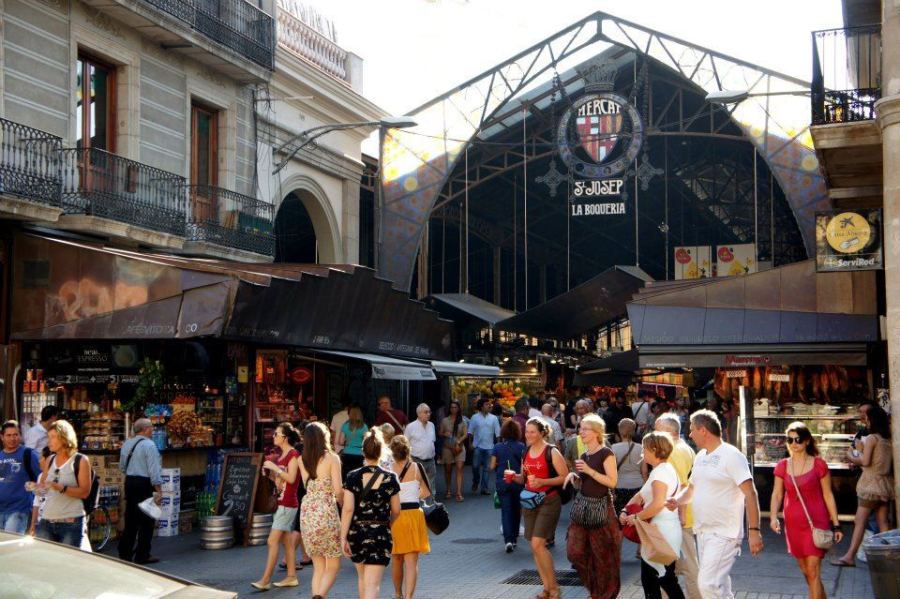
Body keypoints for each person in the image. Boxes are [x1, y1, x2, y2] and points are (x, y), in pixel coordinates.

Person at [669, 410, 763, 599]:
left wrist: (754, 531)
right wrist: (676, 501)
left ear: (703, 430)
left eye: (692, 429)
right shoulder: (700, 456)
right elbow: (692, 489)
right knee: (719, 586)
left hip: (725, 533)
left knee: (708, 585)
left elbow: (750, 493)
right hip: (703, 531)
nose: (689, 434)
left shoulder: (732, 455)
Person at [769, 422, 843, 599]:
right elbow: (777, 494)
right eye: (790, 439)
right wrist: (773, 517)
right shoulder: (782, 466)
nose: (794, 443)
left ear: (807, 441)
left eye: (798, 439)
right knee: (807, 573)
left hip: (815, 523)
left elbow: (828, 495)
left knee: (813, 571)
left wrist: (836, 524)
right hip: (794, 525)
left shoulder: (819, 465)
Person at [509, 418, 569, 599]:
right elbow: (524, 479)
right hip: (530, 502)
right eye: (526, 431)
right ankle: (546, 588)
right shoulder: (525, 451)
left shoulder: (552, 452)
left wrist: (543, 481)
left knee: (538, 544)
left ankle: (555, 588)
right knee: (535, 547)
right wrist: (514, 476)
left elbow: (564, 477)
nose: (528, 435)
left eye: (532, 431)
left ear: (542, 433)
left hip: (549, 501)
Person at [564, 414, 621, 599]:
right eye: (580, 428)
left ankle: (603, 593)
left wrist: (589, 471)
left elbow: (612, 482)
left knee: (602, 555)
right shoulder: (583, 455)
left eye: (585, 429)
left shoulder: (606, 453)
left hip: (601, 510)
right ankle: (594, 588)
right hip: (583, 508)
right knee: (575, 553)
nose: (581, 432)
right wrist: (576, 478)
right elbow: (586, 481)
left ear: (597, 433)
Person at [621, 432, 684, 599]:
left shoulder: (660, 473)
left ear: (654, 449)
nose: (642, 451)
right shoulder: (662, 470)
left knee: (660, 579)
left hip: (661, 531)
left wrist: (635, 517)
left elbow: (657, 504)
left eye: (644, 447)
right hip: (660, 530)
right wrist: (625, 510)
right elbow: (640, 496)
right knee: (659, 578)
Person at [341, 428, 401, 599]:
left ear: (363, 452)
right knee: (372, 585)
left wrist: (342, 537)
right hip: (381, 534)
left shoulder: (352, 476)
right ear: (382, 452)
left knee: (363, 580)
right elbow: (397, 510)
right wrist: (388, 523)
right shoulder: (390, 478)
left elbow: (348, 509)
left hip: (357, 533)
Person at [832, 405, 893, 567]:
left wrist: (850, 455)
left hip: (870, 485)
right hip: (885, 485)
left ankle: (849, 555)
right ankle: (890, 557)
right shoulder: (887, 439)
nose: (865, 419)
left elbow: (865, 462)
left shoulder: (872, 438)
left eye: (867, 417)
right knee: (883, 522)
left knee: (859, 520)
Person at [654, 413, 700, 599]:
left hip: (679, 518)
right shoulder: (685, 448)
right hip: (680, 516)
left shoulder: (674, 451)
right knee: (673, 566)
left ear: (668, 431)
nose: (653, 434)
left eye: (656, 429)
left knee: (686, 567)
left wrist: (680, 515)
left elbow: (681, 485)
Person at [252, 422, 302, 590]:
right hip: (281, 501)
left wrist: (275, 468)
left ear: (285, 437)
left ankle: (266, 579)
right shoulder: (282, 456)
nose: (273, 436)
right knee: (286, 542)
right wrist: (271, 475)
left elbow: (293, 479)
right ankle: (291, 576)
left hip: (288, 503)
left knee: (272, 541)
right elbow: (282, 482)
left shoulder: (293, 455)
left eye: (276, 434)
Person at [299, 422, 344, 599]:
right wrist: (343, 503)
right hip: (326, 512)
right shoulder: (332, 458)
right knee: (333, 565)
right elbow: (338, 490)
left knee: (318, 567)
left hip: (308, 512)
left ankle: (317, 595)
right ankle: (319, 597)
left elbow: (305, 485)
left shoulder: (301, 459)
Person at [36, 420, 91, 548]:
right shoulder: (49, 460)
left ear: (65, 438)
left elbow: (84, 492)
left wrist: (60, 488)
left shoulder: (81, 460)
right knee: (44, 563)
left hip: (71, 522)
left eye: (53, 437)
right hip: (47, 521)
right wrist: (35, 487)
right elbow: (43, 489)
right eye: (48, 437)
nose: (49, 441)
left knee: (67, 565)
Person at [389, 435, 430, 599]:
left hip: (395, 516)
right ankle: (408, 597)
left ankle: (397, 594)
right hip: (413, 516)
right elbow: (426, 493)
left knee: (396, 559)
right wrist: (414, 493)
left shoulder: (388, 469)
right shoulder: (417, 467)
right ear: (408, 450)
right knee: (412, 562)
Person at [118, 418, 162, 563]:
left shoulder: (127, 444)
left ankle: (125, 553)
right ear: (146, 429)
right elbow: (154, 470)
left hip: (130, 482)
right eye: (151, 428)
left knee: (130, 518)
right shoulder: (149, 445)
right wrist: (159, 490)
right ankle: (142, 554)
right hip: (144, 484)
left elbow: (122, 467)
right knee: (146, 521)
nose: (153, 430)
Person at [490, 419, 526, 552]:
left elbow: (491, 466)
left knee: (506, 510)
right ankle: (515, 537)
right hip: (517, 481)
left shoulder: (498, 447)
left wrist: (500, 466)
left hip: (502, 482)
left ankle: (508, 540)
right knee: (517, 510)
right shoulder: (522, 446)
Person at [0, 420, 41, 533]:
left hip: (19, 510)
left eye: (15, 435)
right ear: (2, 437)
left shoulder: (29, 454)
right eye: (8, 435)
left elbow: (43, 478)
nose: (12, 438)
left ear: (20, 436)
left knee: (10, 547)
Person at [611, 418, 644, 516]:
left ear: (619, 431)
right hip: (638, 485)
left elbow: (611, 472)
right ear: (634, 431)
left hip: (620, 486)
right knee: (635, 516)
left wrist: (612, 492)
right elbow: (644, 472)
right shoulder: (641, 448)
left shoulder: (613, 448)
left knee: (620, 515)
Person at [469, 398, 500, 496]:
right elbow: (470, 432)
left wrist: (497, 446)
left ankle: (484, 488)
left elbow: (498, 434)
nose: (489, 406)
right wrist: (470, 443)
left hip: (490, 447)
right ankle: (476, 481)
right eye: (487, 404)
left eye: (489, 404)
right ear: (481, 406)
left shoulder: (494, 418)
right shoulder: (474, 417)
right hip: (477, 446)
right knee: (475, 466)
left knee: (487, 469)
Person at [404, 404, 436, 492]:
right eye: (426, 412)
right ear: (418, 414)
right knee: (416, 485)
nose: (428, 414)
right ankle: (418, 505)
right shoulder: (410, 427)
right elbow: (405, 444)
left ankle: (430, 504)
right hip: (416, 460)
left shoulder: (431, 425)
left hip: (431, 460)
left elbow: (432, 441)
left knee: (431, 484)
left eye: (429, 412)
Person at [439, 401, 468, 501]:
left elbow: (466, 434)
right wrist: (444, 434)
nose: (453, 409)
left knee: (459, 469)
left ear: (458, 409)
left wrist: (459, 440)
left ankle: (459, 493)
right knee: (448, 470)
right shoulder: (444, 420)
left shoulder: (462, 421)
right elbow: (440, 433)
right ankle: (448, 490)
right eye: (451, 407)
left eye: (455, 407)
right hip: (447, 447)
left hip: (459, 447)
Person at [339, 406, 369, 481]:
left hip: (347, 453)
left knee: (346, 476)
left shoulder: (345, 425)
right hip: (360, 454)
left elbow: (340, 442)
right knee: (358, 477)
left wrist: (348, 442)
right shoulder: (364, 426)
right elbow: (366, 442)